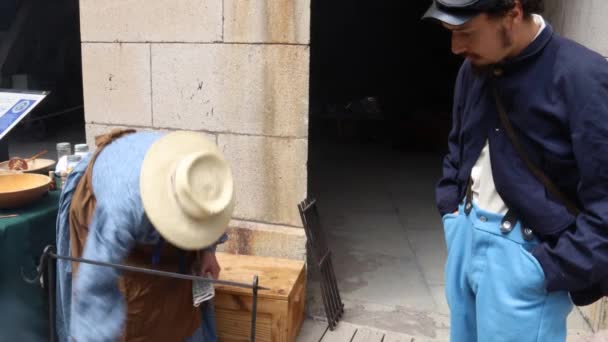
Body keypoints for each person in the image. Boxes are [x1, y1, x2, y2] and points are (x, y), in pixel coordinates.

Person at [424, 0, 608, 341]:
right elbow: (458, 146)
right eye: (451, 34)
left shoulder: (585, 77)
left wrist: (544, 268)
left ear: (512, 13)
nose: (456, 47)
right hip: (464, 240)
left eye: (466, 33)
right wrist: (451, 214)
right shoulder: (473, 68)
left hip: (526, 257)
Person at [55, 129, 234, 341]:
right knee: (134, 310)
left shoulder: (205, 174)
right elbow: (95, 289)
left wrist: (207, 250)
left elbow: (210, 215)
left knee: (178, 305)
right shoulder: (122, 209)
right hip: (107, 207)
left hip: (143, 203)